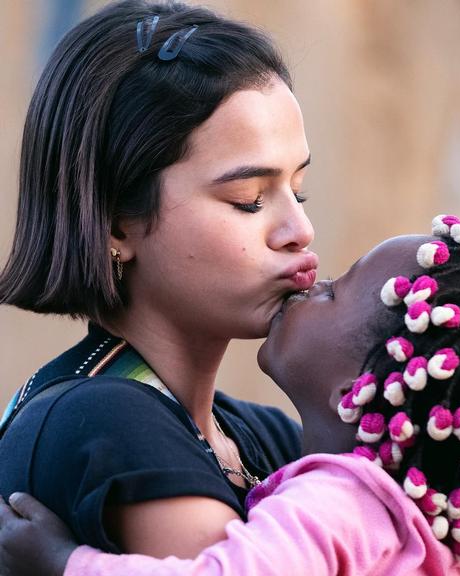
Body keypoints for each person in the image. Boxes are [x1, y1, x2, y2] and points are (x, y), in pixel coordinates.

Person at [0, 216, 460, 575]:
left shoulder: (338, 508)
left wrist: (64, 562)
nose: (312, 266)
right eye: (250, 198)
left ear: (356, 389)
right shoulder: (438, 549)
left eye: (335, 292)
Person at [0, 0, 317, 558]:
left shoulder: (261, 437)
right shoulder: (107, 420)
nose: (299, 229)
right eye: (248, 199)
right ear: (115, 222)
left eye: (299, 189)